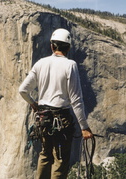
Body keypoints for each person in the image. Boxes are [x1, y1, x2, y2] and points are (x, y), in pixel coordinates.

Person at [19, 28, 93, 179]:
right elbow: (76, 100)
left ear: (52, 46)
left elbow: (23, 90)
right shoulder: (70, 65)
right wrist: (84, 127)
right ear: (69, 48)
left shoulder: (41, 63)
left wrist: (33, 104)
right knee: (60, 159)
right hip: (62, 121)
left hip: (44, 119)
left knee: (45, 155)